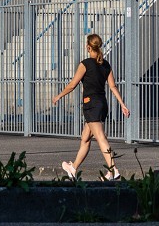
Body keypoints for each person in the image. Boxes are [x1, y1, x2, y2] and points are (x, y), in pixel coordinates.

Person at [52, 33, 130, 180]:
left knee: (100, 137)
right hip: (102, 104)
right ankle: (73, 168)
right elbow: (113, 86)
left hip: (91, 104)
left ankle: (114, 170)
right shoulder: (105, 64)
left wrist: (58, 96)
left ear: (88, 47)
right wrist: (122, 104)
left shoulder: (85, 64)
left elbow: (72, 85)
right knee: (85, 139)